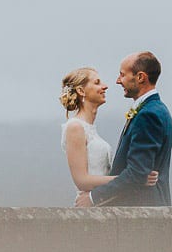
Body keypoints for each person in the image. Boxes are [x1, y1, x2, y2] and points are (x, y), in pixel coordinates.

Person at [75, 52, 172, 207]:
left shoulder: (148, 114)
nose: (118, 81)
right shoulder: (155, 109)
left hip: (142, 210)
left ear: (140, 77)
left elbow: (137, 173)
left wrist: (94, 198)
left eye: (122, 75)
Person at [59, 66, 157, 204]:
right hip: (88, 205)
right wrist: (135, 179)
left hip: (104, 203)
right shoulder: (75, 127)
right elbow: (82, 180)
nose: (105, 86)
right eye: (97, 82)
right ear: (81, 91)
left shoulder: (91, 129)